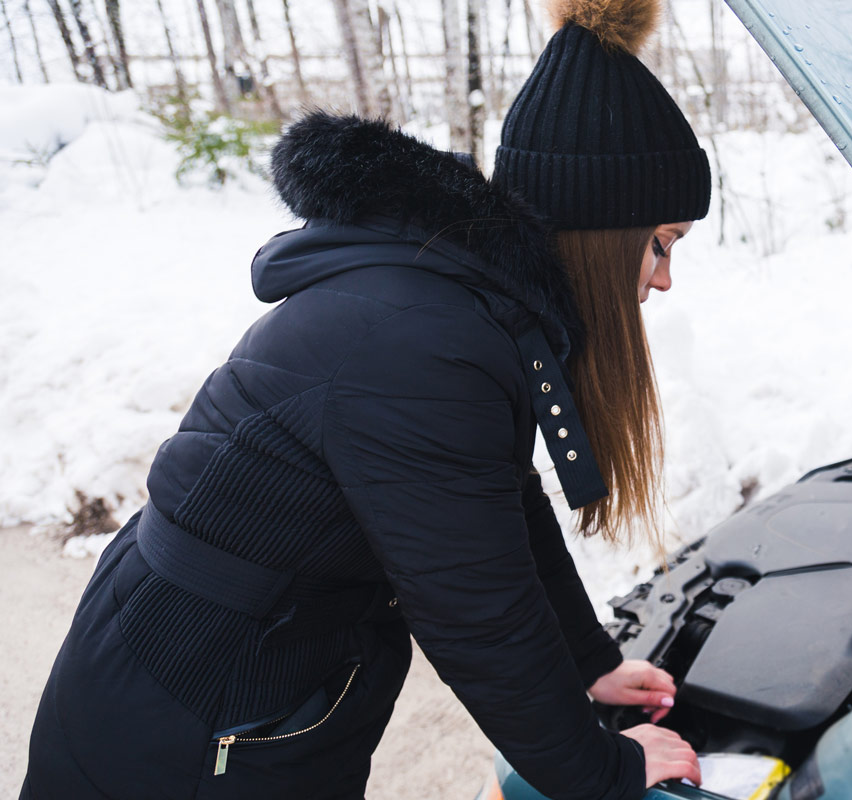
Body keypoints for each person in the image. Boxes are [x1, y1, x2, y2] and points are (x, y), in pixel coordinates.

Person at [20, 0, 711, 797]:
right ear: (600, 231)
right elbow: (476, 612)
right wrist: (605, 772)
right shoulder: (422, 342)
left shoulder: (465, 306)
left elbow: (498, 508)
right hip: (194, 704)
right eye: (661, 243)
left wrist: (589, 662)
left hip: (246, 668)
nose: (663, 276)